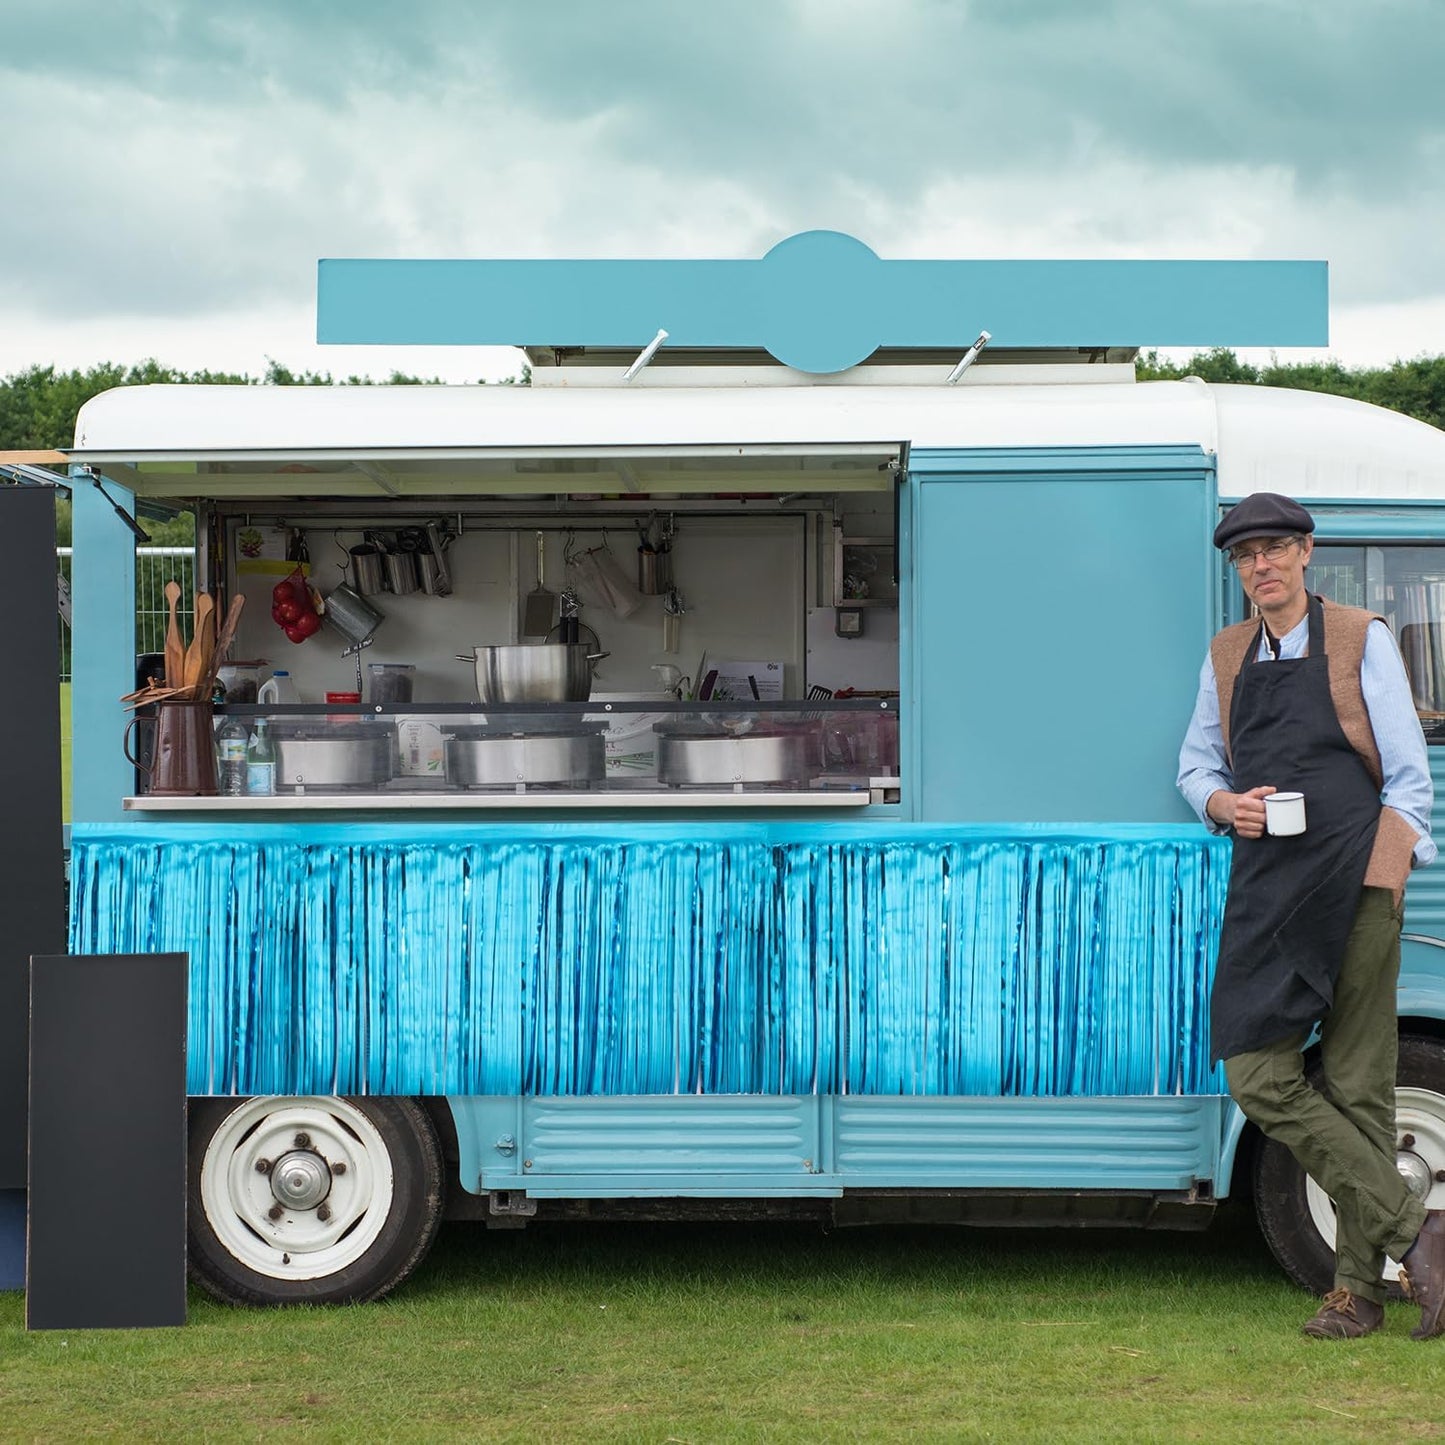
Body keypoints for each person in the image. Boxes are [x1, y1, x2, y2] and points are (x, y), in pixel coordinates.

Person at [1177, 491, 1445, 1340]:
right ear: (1237, 570)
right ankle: (1420, 1228)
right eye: (1244, 554)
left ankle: (1356, 1294)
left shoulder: (1359, 636)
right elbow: (1192, 766)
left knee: (1362, 1088)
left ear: (1304, 553)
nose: (1260, 565)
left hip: (1355, 886)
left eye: (1273, 549)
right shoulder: (1223, 655)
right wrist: (1224, 804)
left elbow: (1408, 778)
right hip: (1267, 889)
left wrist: (1383, 875)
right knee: (1255, 1075)